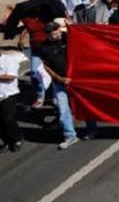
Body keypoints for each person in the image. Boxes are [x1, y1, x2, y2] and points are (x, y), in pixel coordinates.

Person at [38, 18, 97, 149]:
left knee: (84, 105)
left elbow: (82, 36)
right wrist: (58, 78)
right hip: (59, 82)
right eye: (54, 34)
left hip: (76, 80)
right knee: (63, 109)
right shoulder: (43, 47)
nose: (58, 35)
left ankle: (91, 129)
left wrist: (71, 26)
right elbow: (46, 66)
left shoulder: (68, 38)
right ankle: (70, 135)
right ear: (47, 35)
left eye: (59, 32)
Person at [0, 42, 21, 152]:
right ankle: (7, 141)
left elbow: (11, 76)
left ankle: (17, 139)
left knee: (8, 119)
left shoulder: (9, 60)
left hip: (8, 94)